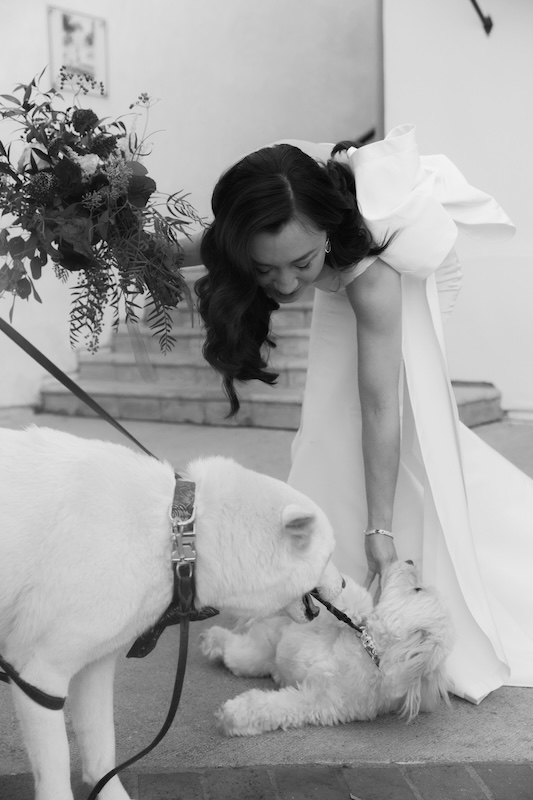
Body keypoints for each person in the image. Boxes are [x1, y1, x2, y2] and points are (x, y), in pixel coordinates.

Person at [182, 123, 533, 704]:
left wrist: (380, 531)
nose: (284, 284)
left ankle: (418, 560)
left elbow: (379, 406)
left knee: (398, 425)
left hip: (404, 273)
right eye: (264, 270)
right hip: (341, 265)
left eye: (298, 262)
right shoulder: (279, 215)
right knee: (327, 425)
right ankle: (316, 588)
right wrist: (101, 237)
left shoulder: (372, 275)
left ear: (326, 231)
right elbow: (196, 247)